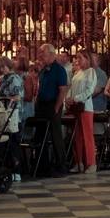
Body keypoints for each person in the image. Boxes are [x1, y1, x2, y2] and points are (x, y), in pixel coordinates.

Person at [34, 44, 69, 176]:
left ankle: (61, 165)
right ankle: (42, 165)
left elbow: (62, 90)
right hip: (41, 105)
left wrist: (56, 108)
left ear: (51, 54)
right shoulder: (43, 70)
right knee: (40, 135)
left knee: (55, 136)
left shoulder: (59, 70)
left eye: (42, 53)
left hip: (53, 104)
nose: (40, 56)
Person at [0, 56, 25, 181]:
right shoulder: (3, 79)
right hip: (4, 113)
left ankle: (16, 171)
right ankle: (7, 170)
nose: (2, 69)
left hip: (14, 114)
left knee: (13, 143)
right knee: (6, 143)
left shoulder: (15, 78)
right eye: (0, 67)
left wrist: (7, 100)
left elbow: (18, 96)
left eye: (4, 67)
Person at [67, 51, 97, 173]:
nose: (77, 60)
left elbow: (89, 90)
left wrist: (76, 98)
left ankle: (91, 163)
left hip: (85, 108)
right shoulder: (77, 72)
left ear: (87, 59)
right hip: (75, 107)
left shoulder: (91, 72)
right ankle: (79, 162)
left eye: (80, 58)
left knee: (87, 136)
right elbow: (71, 88)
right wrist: (69, 98)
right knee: (77, 136)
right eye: (77, 58)